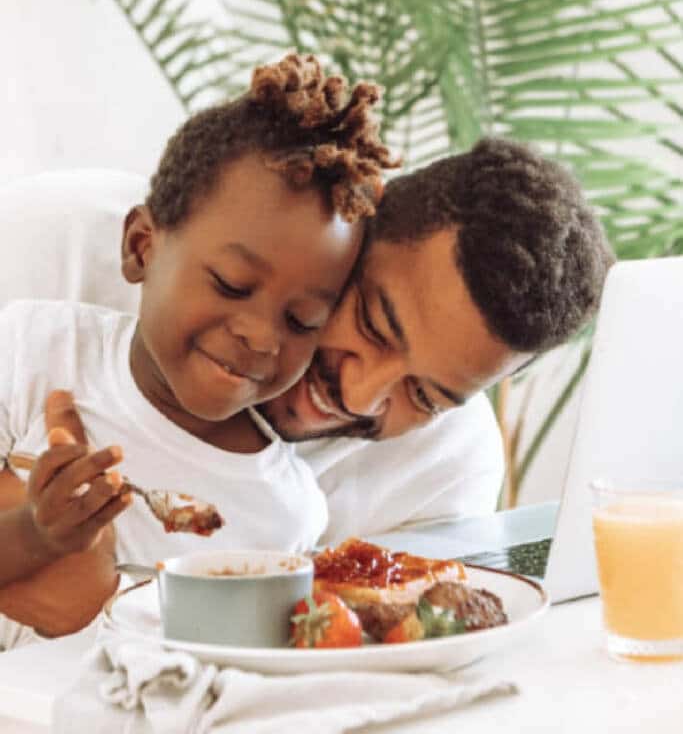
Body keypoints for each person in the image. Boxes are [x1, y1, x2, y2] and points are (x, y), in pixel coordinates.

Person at [0, 53, 394, 649]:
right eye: (232, 285)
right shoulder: (35, 350)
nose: (262, 336)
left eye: (301, 319)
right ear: (142, 246)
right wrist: (37, 534)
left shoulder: (284, 515)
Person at [261, 137, 614, 542]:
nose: (359, 397)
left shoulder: (451, 467)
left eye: (424, 397)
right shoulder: (199, 319)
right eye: (373, 327)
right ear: (356, 218)